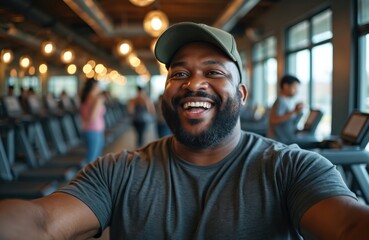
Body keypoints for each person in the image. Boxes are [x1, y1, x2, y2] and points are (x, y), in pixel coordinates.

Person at [0, 22, 369, 240]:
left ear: (241, 94)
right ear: (167, 90)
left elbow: (349, 225)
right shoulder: (117, 171)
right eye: (179, 73)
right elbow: (43, 222)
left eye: (213, 72)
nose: (194, 83)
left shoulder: (293, 169)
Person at [267, 75, 305, 144]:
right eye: (294, 88)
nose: (296, 91)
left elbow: (287, 120)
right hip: (278, 142)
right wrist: (294, 111)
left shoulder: (287, 101)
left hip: (284, 140)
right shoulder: (280, 101)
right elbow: (273, 119)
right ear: (285, 86)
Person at [79, 77, 106, 163]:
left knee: (91, 158)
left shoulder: (85, 98)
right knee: (93, 160)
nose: (100, 88)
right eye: (99, 85)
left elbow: (84, 116)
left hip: (86, 130)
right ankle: (85, 176)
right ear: (95, 85)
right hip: (95, 131)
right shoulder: (97, 99)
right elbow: (93, 117)